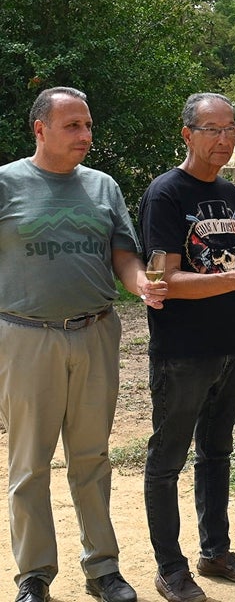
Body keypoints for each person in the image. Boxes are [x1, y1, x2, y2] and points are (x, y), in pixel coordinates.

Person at [0, 87, 165, 602]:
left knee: (92, 457)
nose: (86, 136)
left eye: (88, 125)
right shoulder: (7, 184)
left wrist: (140, 282)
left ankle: (102, 568)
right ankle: (34, 575)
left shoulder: (103, 186)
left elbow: (122, 254)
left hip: (95, 333)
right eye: (73, 126)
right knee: (28, 463)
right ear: (40, 129)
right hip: (26, 337)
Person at [139, 92, 235, 602]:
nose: (225, 139)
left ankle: (214, 552)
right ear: (188, 135)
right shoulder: (165, 194)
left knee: (217, 453)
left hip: (228, 345)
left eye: (231, 128)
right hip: (181, 350)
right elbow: (166, 279)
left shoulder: (231, 194)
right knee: (167, 458)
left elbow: (223, 271)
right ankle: (170, 568)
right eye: (212, 129)